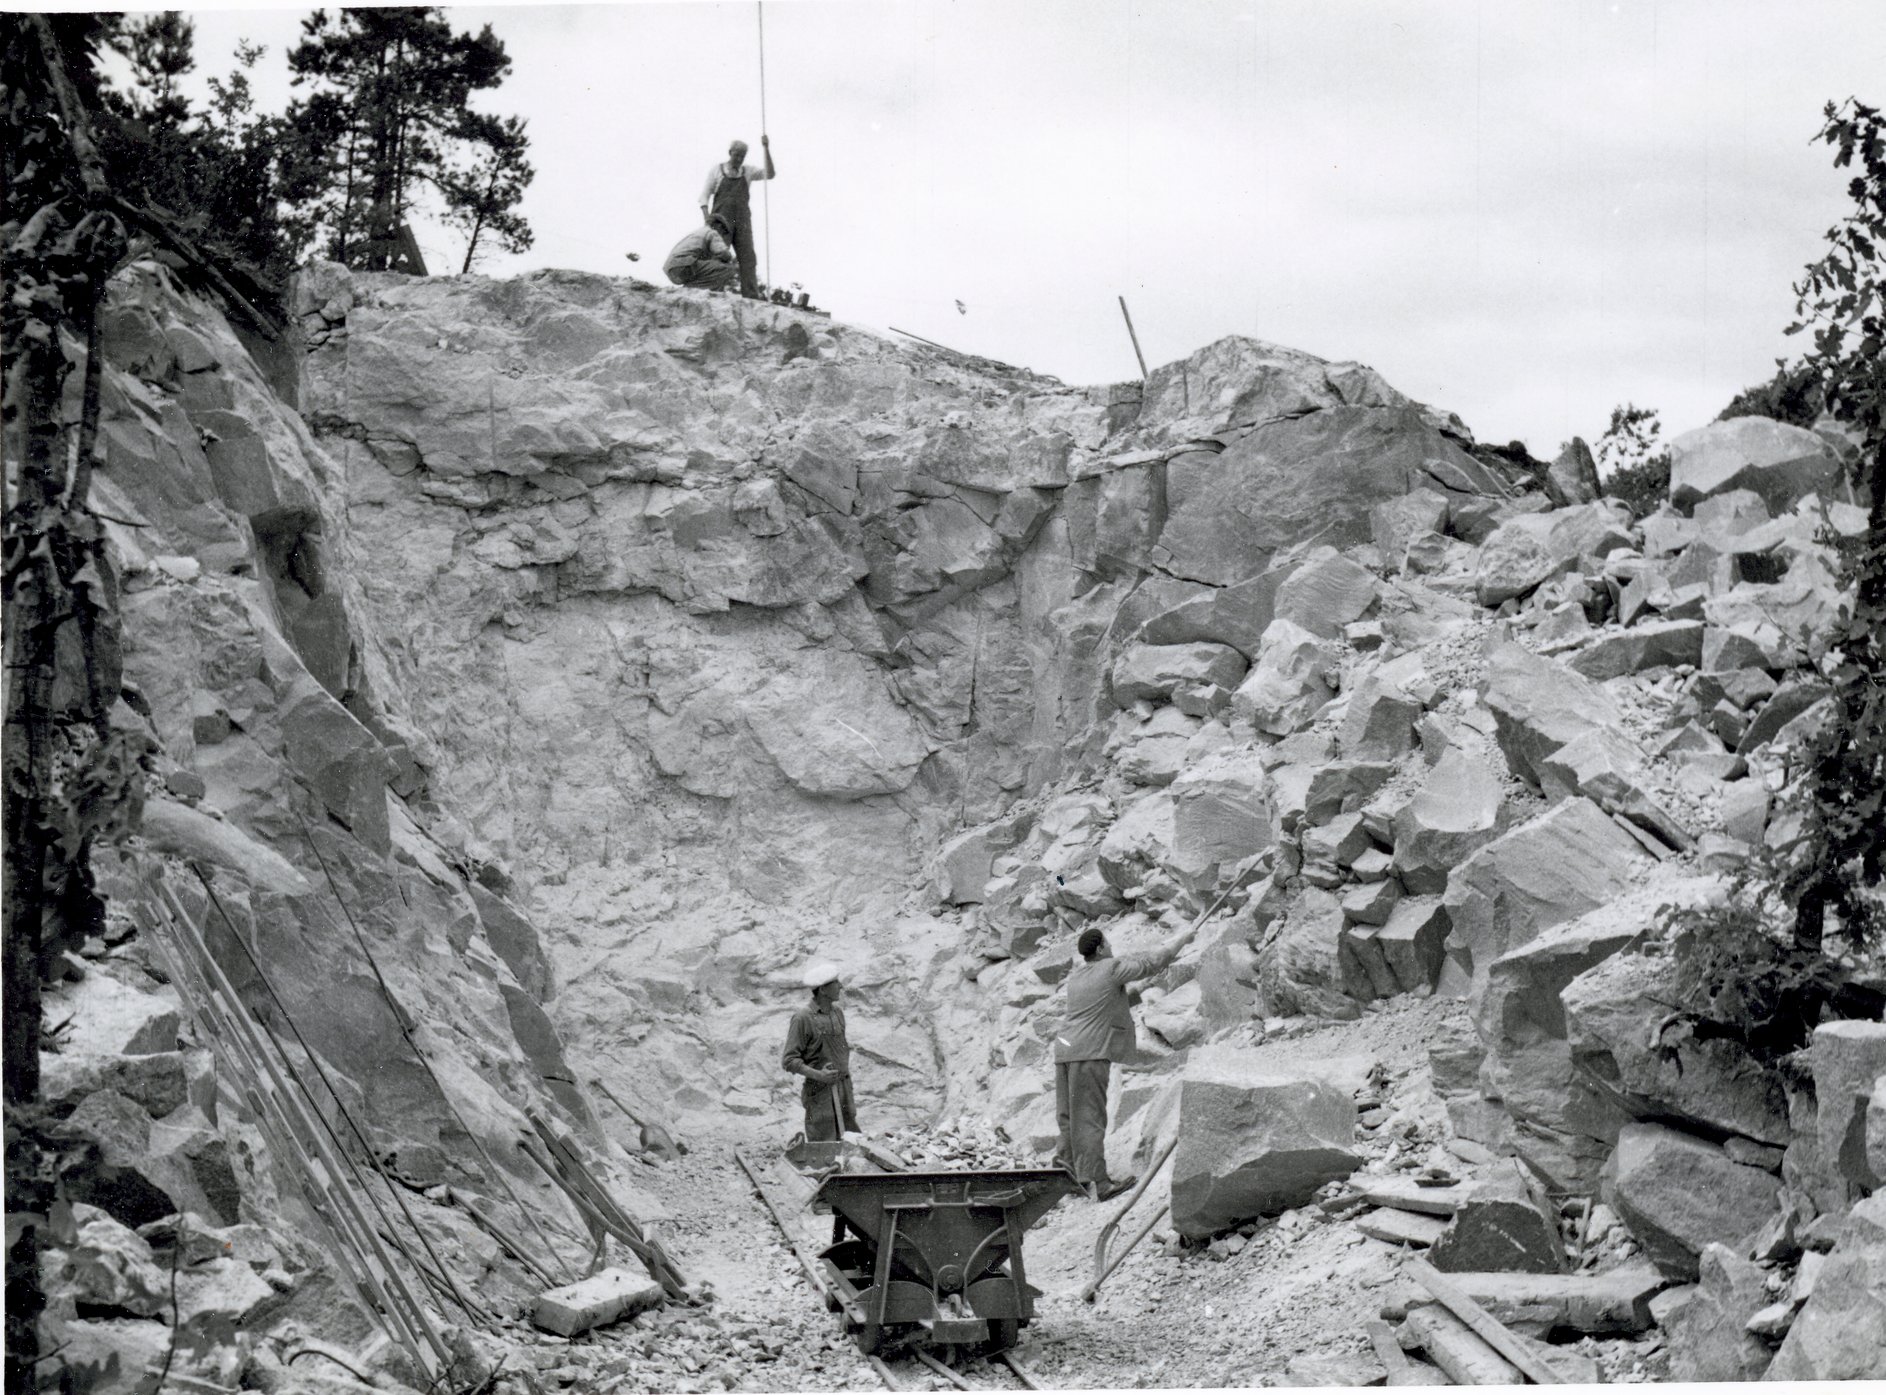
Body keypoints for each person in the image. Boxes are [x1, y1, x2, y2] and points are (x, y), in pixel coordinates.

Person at [1052, 920, 1199, 1201]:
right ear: (1100, 948)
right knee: (1091, 1117)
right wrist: (1183, 939)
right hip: (1090, 1052)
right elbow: (1151, 962)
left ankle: (1066, 1176)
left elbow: (1108, 1003)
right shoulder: (1111, 967)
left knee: (1068, 1117)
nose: (1111, 946)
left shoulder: (1077, 978)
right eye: (1107, 942)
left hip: (1065, 1050)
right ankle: (1099, 1182)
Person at [781, 960, 857, 1141]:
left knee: (851, 1144)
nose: (841, 986)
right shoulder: (802, 1018)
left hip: (843, 1088)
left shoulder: (837, 1013)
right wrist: (818, 1075)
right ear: (822, 990)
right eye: (836, 983)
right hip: (820, 1093)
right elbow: (789, 1060)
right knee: (824, 1145)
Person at [698, 136, 775, 299]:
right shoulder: (717, 170)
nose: (739, 159)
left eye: (742, 156)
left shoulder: (747, 171)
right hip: (721, 221)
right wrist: (707, 219)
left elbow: (770, 174)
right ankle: (714, 292)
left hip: (742, 222)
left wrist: (766, 148)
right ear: (730, 153)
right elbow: (703, 197)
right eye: (736, 155)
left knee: (748, 257)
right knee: (718, 256)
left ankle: (751, 296)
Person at [662, 215, 739, 291]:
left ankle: (688, 289)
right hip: (685, 265)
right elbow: (723, 253)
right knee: (727, 269)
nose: (722, 235)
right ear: (718, 225)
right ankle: (691, 290)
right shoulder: (712, 232)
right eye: (724, 231)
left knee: (709, 266)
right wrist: (732, 261)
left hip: (672, 269)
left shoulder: (698, 232)